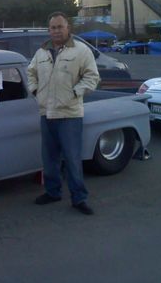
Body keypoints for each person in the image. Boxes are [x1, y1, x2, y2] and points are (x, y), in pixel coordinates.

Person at [27, 12, 100, 215]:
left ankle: (79, 198)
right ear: (49, 30)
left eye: (60, 27)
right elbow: (30, 72)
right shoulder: (42, 52)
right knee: (49, 158)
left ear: (68, 28)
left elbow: (92, 77)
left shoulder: (81, 51)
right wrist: (35, 91)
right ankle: (53, 192)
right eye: (53, 27)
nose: (56, 31)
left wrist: (76, 92)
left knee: (72, 159)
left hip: (70, 114)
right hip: (46, 113)